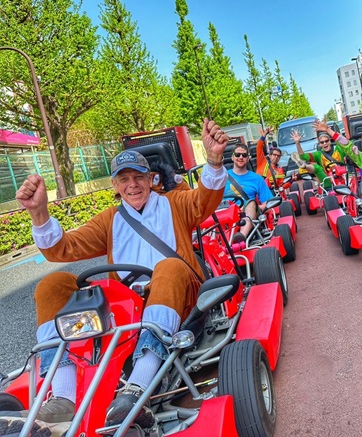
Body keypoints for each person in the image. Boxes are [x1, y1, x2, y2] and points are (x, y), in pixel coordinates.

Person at [8, 119, 229, 431]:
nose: (132, 184)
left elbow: (205, 199)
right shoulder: (109, 220)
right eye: (124, 179)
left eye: (138, 177)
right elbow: (62, 249)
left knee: (167, 268)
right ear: (115, 185)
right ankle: (64, 397)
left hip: (180, 293)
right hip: (125, 307)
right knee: (53, 284)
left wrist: (214, 159)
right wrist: (39, 213)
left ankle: (137, 387)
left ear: (151, 179)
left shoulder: (175, 203)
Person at [225, 143, 274, 243]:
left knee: (251, 203)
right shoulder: (221, 176)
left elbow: (269, 204)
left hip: (245, 214)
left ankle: (241, 238)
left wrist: (253, 208)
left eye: (244, 155)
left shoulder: (257, 179)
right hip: (224, 212)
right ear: (232, 157)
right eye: (237, 155)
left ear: (248, 158)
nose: (241, 157)